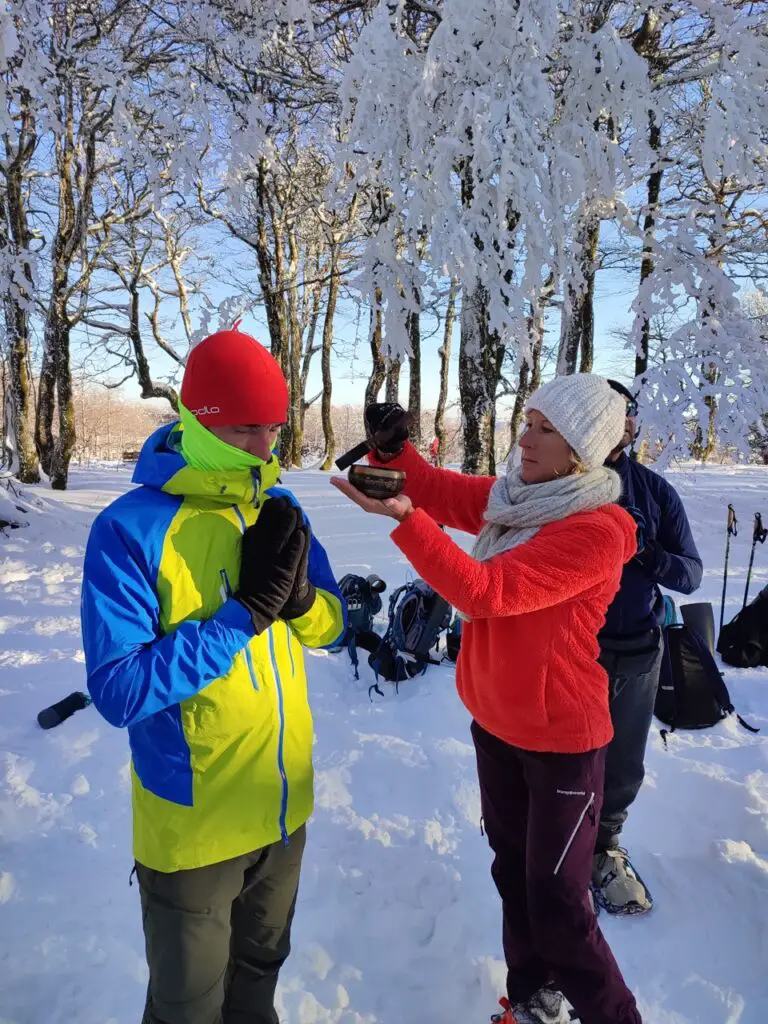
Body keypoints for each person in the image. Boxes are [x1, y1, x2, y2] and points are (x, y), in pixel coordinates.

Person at [332, 374, 642, 1024]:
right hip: (498, 728)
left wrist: (407, 522)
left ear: (583, 447)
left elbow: (486, 591)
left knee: (560, 907)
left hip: (561, 744)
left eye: (545, 429)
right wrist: (395, 455)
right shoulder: (519, 500)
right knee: (513, 876)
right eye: (526, 421)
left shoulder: (598, 530)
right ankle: (533, 999)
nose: (524, 437)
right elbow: (443, 490)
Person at [80, 326, 345, 1024]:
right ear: (200, 421)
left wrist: (300, 602)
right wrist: (242, 616)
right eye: (249, 430)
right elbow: (120, 690)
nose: (267, 449)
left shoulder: (280, 509)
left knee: (260, 974)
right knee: (187, 1008)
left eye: (276, 430)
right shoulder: (131, 529)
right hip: (194, 828)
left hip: (283, 809)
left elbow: (335, 630)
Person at [592, 381, 703, 914]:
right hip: (570, 653)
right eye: (605, 414)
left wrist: (647, 553)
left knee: (622, 765)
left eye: (626, 415)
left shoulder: (656, 492)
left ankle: (604, 851)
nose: (620, 425)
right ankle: (551, 848)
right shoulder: (559, 486)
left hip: (637, 651)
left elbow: (692, 574)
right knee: (559, 761)